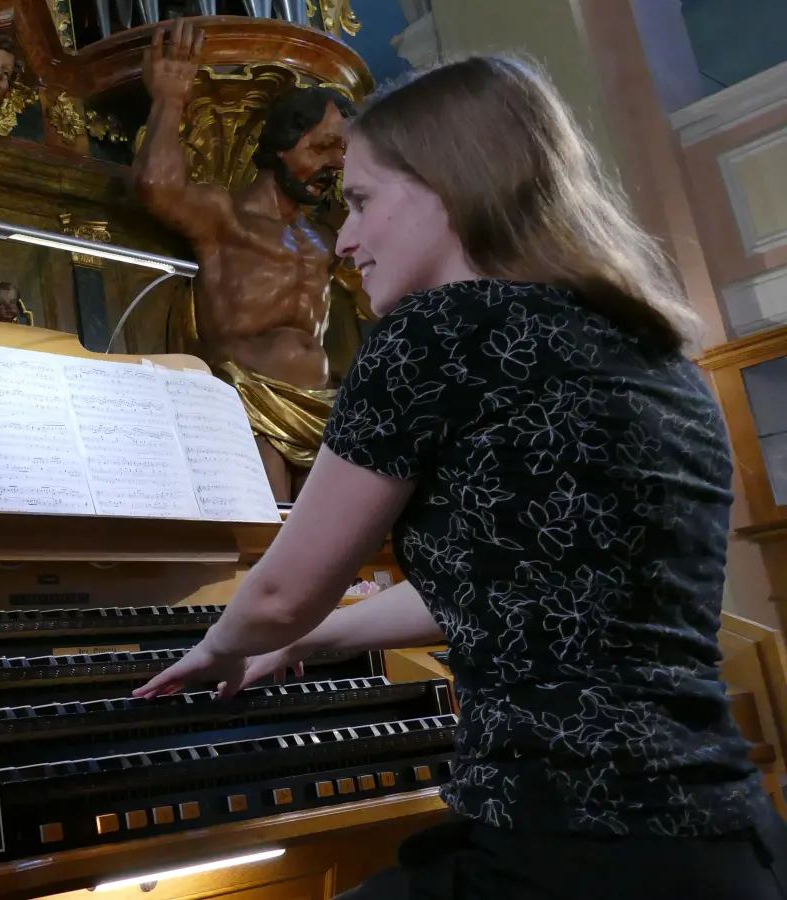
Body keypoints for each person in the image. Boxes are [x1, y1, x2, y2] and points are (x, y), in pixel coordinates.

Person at [134, 54, 787, 899]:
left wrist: (219, 648)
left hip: (570, 849)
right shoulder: (658, 352)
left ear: (450, 188)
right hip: (723, 839)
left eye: (363, 201)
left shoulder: (438, 329)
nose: (345, 239)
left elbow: (274, 596)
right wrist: (308, 642)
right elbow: (513, 586)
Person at [135, 20, 356, 502]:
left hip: (322, 408)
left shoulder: (328, 236)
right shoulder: (226, 215)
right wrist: (170, 100)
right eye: (322, 147)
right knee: (266, 538)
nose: (334, 165)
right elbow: (159, 188)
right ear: (281, 145)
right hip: (248, 400)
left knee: (331, 551)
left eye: (342, 154)